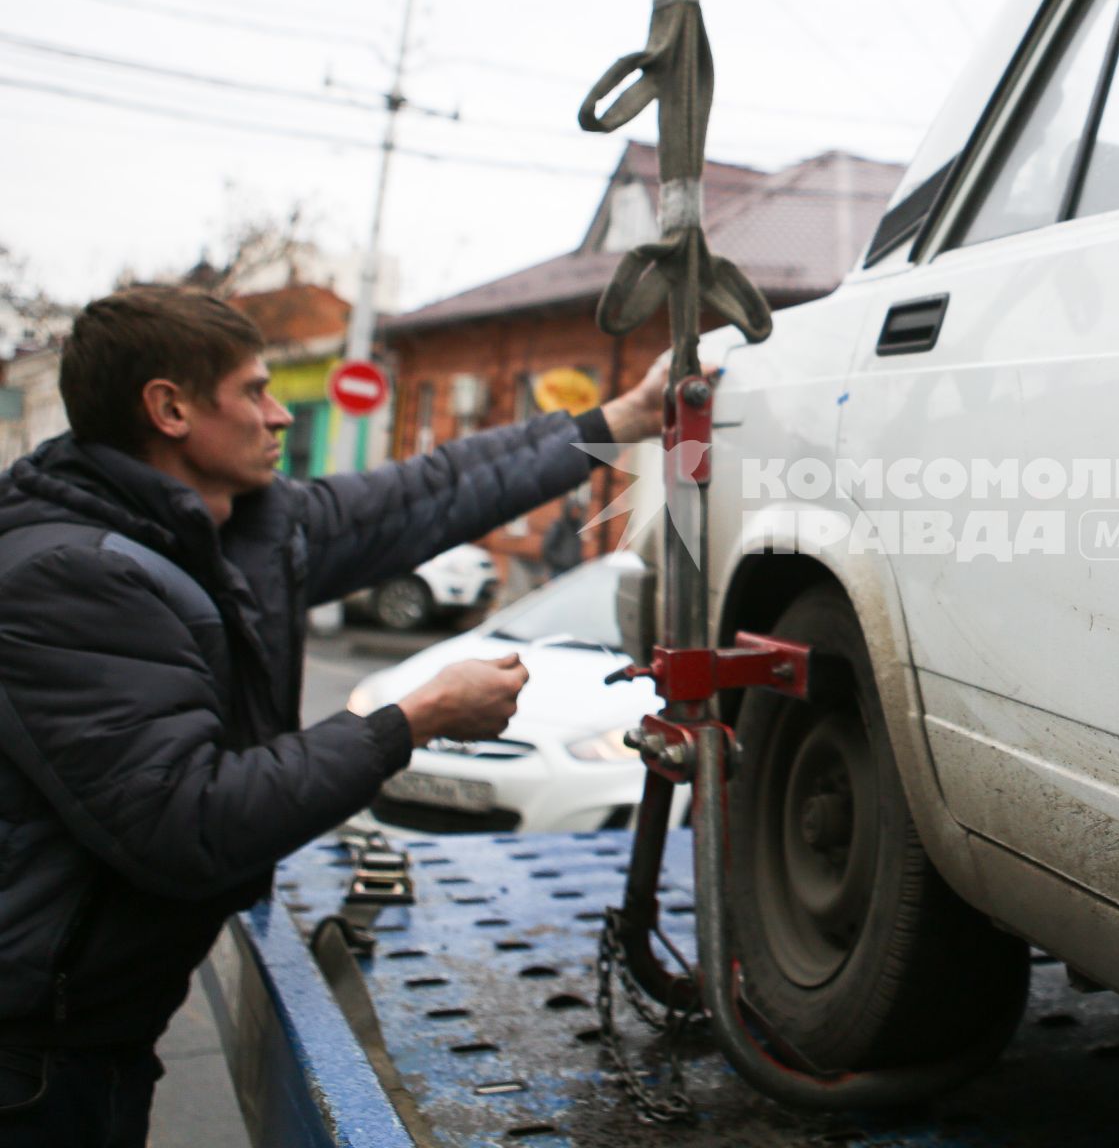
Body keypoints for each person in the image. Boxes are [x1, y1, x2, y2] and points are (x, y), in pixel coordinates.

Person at [0, 291, 665, 1146]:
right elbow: (189, 822)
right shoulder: (69, 575)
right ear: (169, 409)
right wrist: (412, 720)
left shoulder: (229, 524)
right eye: (253, 392)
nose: (279, 415)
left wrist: (620, 418)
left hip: (98, 1033)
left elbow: (431, 492)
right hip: (31, 1057)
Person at [540, 496, 585, 576]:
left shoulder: (578, 526)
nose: (576, 513)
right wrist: (560, 562)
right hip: (559, 571)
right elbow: (546, 547)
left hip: (573, 570)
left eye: (578, 510)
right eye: (574, 510)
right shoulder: (559, 525)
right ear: (569, 510)